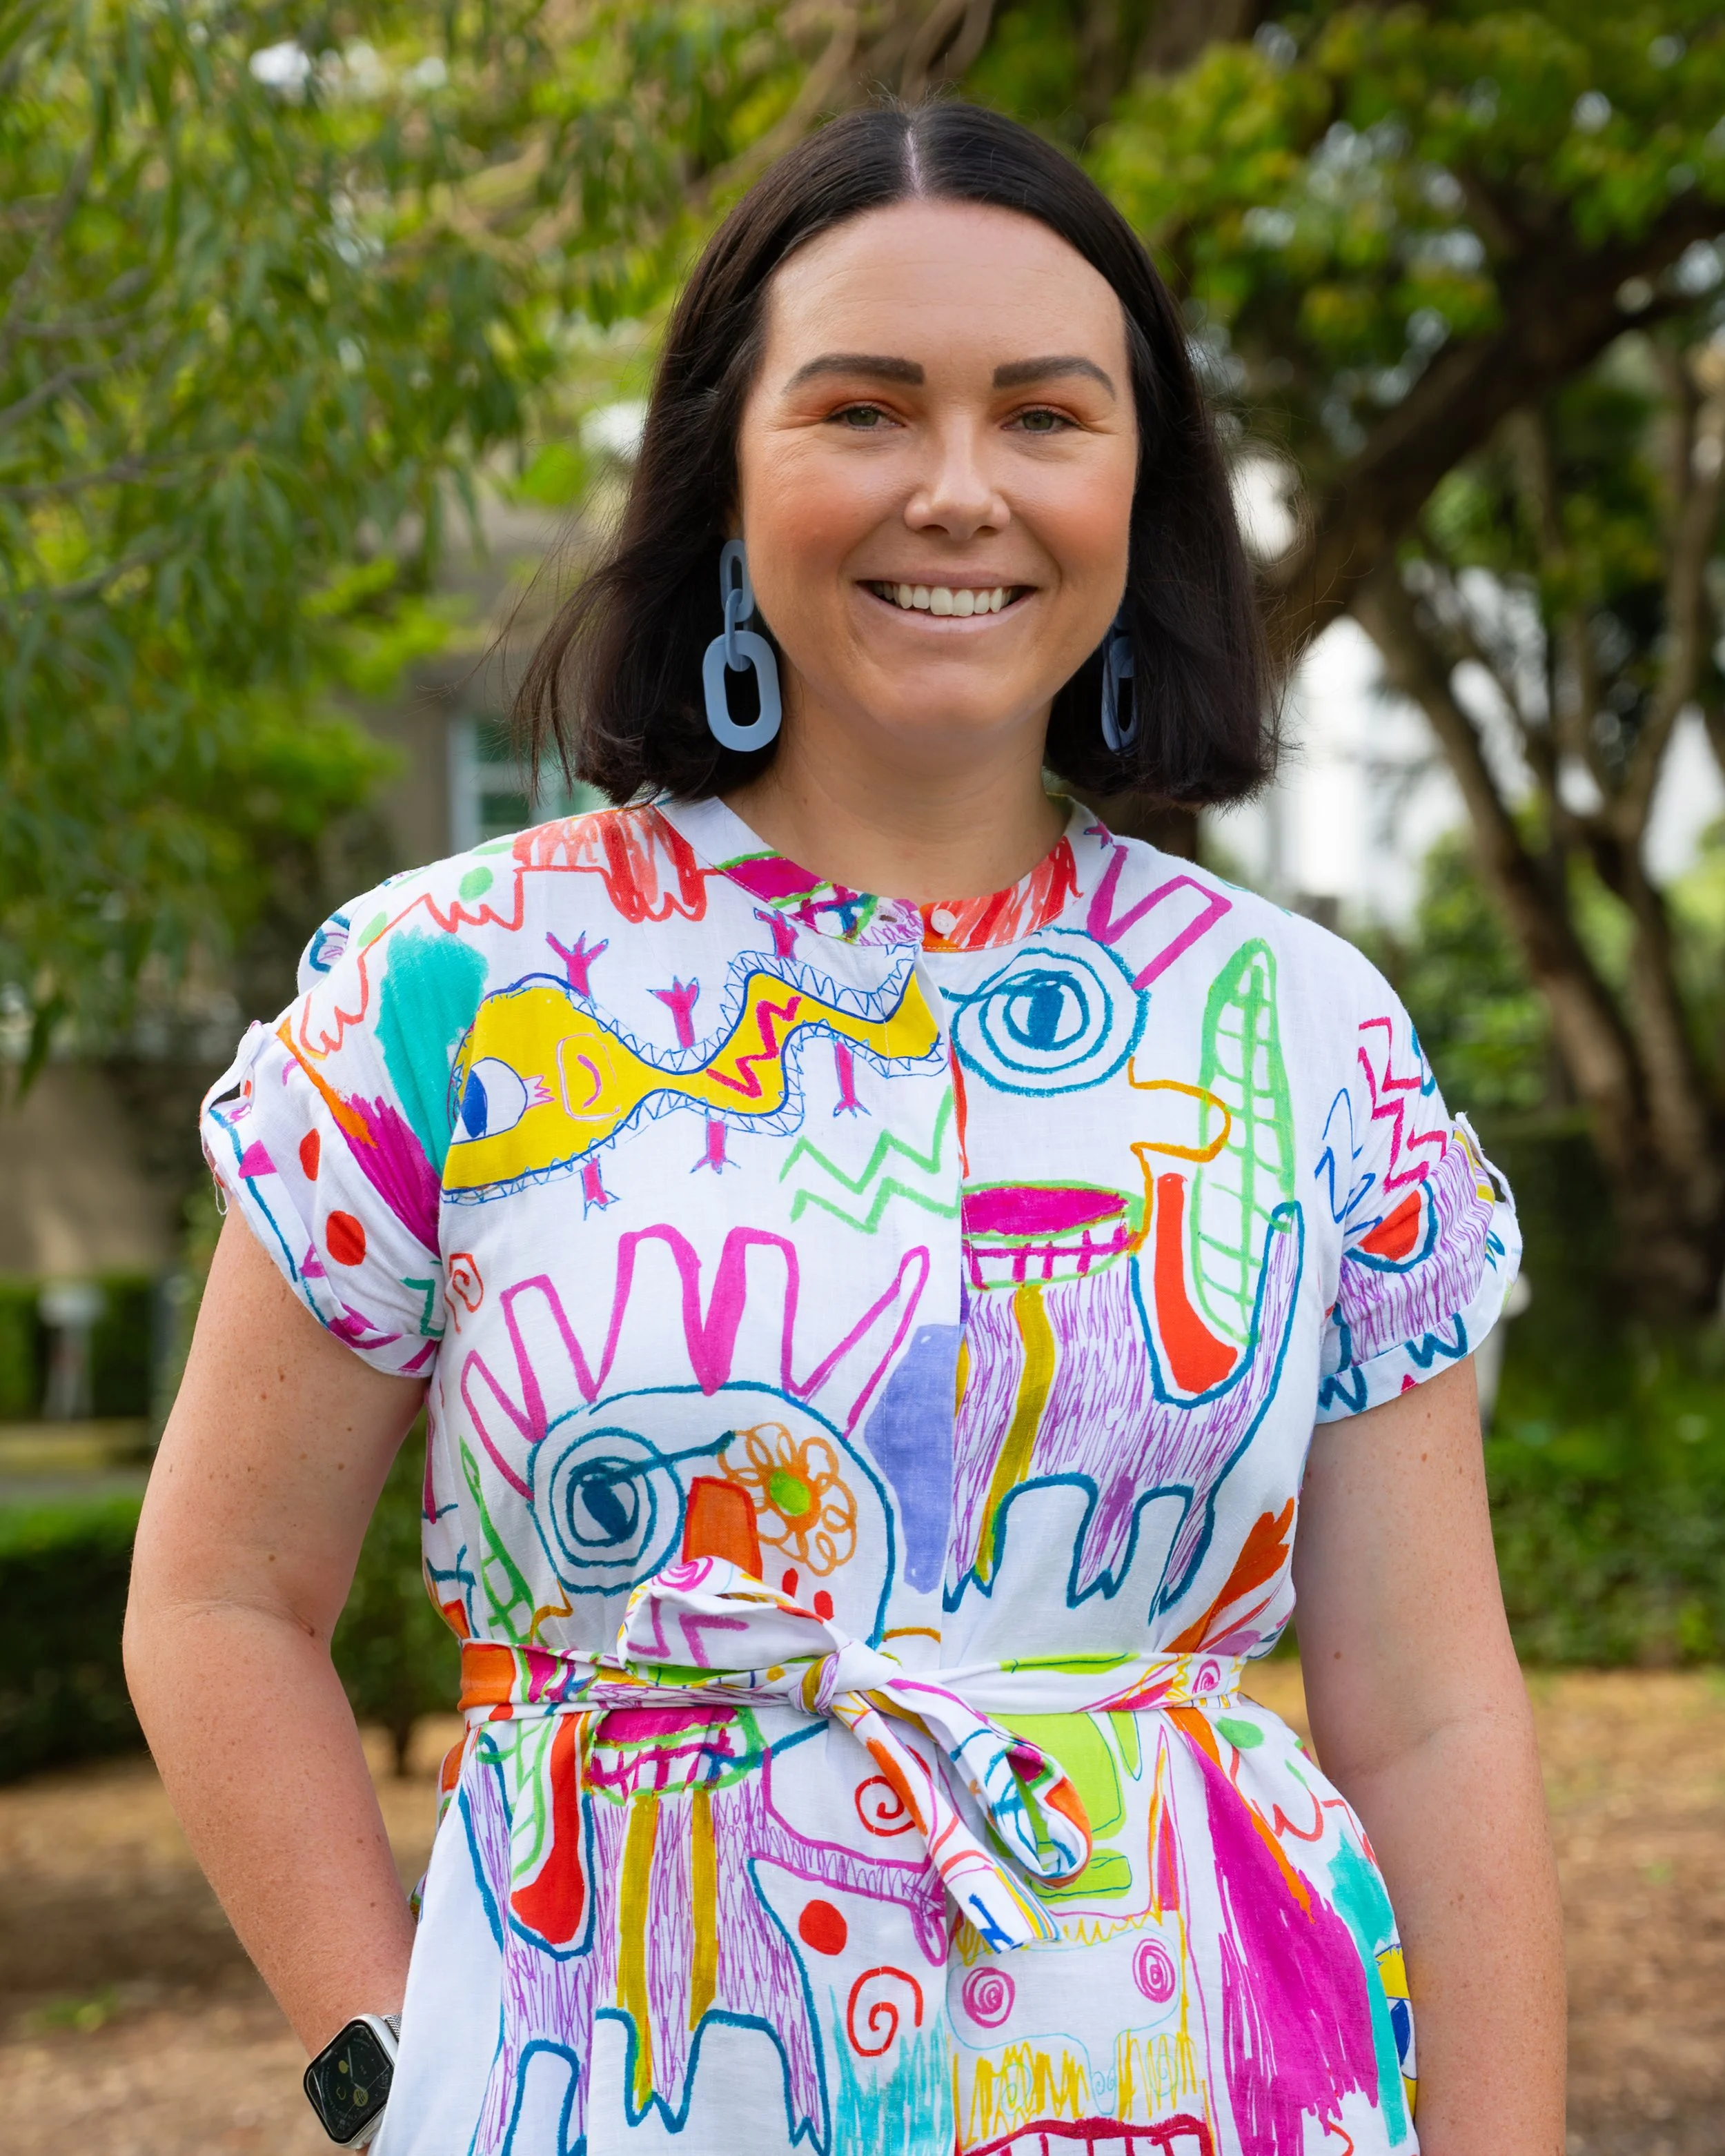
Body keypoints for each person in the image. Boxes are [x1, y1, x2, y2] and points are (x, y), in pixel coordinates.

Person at [125, 100, 1565, 2156]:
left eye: (1045, 416)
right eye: (865, 409)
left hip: (1219, 2088)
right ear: (727, 463)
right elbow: (216, 1595)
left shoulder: (1304, 1033)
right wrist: (399, 2069)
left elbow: (1428, 1714)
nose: (958, 491)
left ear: (1138, 484)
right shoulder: (449, 986)